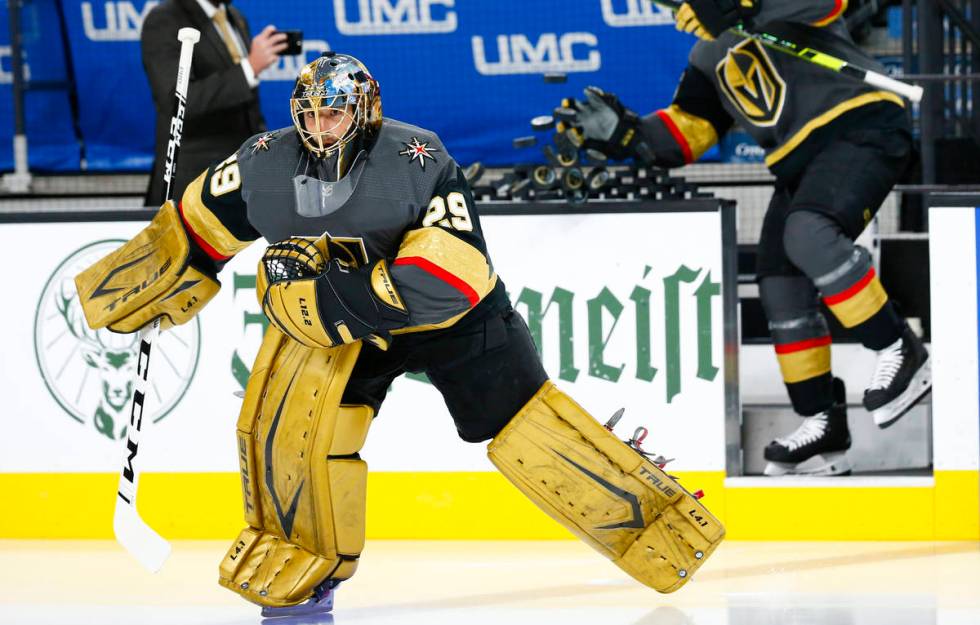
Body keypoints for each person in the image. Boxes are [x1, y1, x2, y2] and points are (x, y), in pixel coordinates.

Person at [73, 53, 724, 617]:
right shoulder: (263, 164)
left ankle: (652, 515)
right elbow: (194, 229)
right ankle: (309, 566)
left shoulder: (419, 157)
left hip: (447, 321)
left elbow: (456, 273)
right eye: (310, 113)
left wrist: (321, 296)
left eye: (334, 114)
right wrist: (155, 281)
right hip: (348, 330)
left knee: (530, 426)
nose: (320, 127)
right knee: (296, 431)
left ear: (366, 112)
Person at [558, 0, 931, 477]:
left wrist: (736, 10)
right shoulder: (706, 54)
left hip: (860, 123)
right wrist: (626, 136)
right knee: (779, 280)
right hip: (798, 161)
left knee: (809, 234)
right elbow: (689, 132)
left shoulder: (772, 6)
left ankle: (899, 348)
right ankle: (822, 420)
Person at [141, 0, 288, 206]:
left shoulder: (235, 17)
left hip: (240, 181)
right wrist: (249, 68)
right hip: (192, 186)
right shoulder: (165, 19)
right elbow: (177, 101)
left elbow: (246, 103)